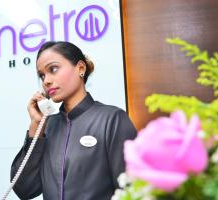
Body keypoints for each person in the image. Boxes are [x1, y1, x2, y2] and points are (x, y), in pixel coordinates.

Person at [10, 41, 137, 200]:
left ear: (80, 68)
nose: (46, 80)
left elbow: (132, 190)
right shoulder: (47, 127)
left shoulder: (112, 119)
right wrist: (36, 126)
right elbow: (24, 190)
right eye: (42, 75)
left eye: (53, 69)